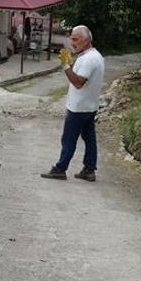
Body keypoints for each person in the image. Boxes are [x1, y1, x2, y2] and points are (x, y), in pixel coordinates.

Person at [41, 25, 105, 182]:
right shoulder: (95, 56)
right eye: (71, 38)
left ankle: (60, 169)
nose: (72, 42)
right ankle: (89, 169)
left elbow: (78, 82)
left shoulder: (88, 59)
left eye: (75, 39)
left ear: (86, 40)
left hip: (79, 107)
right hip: (89, 106)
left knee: (69, 139)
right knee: (89, 139)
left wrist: (65, 65)